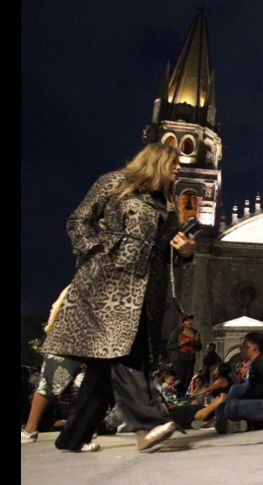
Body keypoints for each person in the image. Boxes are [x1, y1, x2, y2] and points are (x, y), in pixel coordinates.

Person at [39, 143, 197, 452]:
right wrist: (101, 251)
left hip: (146, 291)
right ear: (156, 161)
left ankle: (73, 436)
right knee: (123, 354)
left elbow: (169, 256)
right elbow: (78, 221)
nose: (179, 168)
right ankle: (148, 425)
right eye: (174, 163)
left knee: (107, 365)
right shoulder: (115, 183)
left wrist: (185, 252)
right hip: (107, 285)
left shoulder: (168, 205)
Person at [214, 333, 263, 434]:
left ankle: (234, 422)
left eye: (244, 346)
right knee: (226, 401)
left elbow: (258, 391)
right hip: (262, 400)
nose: (241, 349)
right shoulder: (257, 362)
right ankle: (235, 422)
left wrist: (239, 400)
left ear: (254, 348)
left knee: (232, 406)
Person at [21, 355, 88, 445]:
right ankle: (29, 431)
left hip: (95, 349)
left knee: (91, 383)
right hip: (69, 347)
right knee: (50, 384)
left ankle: (84, 428)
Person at [167, 314, 202, 394]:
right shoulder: (177, 331)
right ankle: (175, 395)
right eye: (187, 320)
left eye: (191, 320)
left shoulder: (195, 332)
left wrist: (196, 342)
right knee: (179, 379)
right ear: (183, 322)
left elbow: (199, 348)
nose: (190, 322)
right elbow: (169, 346)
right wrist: (182, 343)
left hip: (190, 358)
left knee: (187, 379)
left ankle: (181, 396)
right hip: (180, 357)